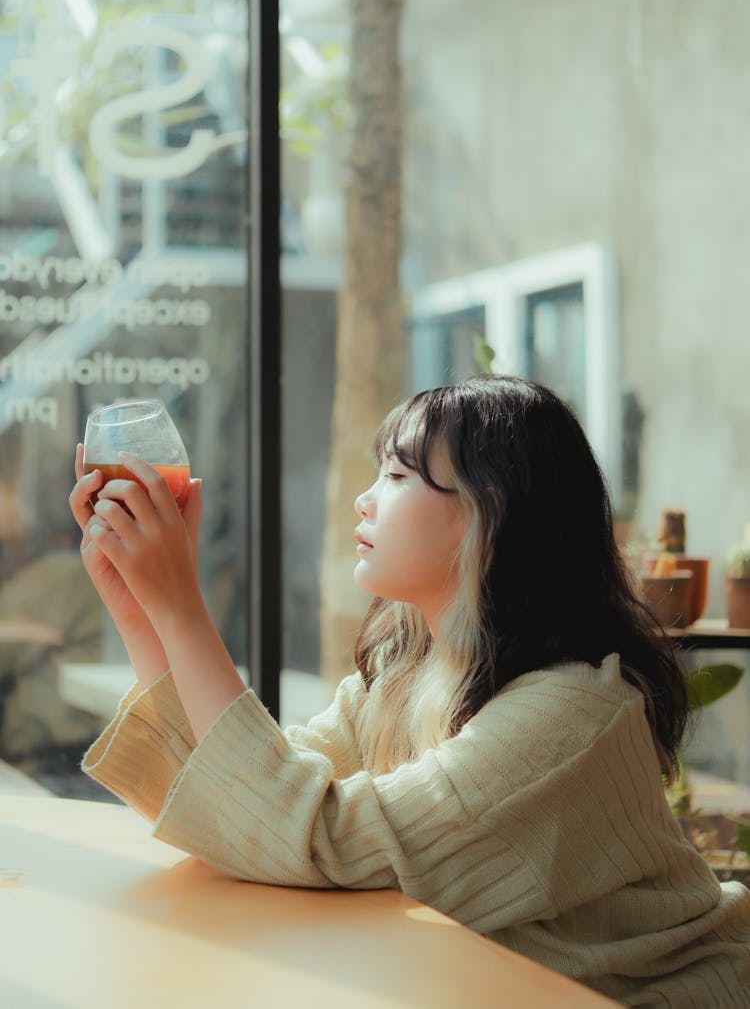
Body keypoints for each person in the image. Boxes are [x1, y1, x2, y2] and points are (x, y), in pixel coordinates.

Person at [69, 375, 750, 1007]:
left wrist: (183, 608)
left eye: (396, 475)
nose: (365, 499)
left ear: (493, 513)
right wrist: (143, 610)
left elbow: (309, 834)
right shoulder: (409, 667)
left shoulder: (573, 713)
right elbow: (246, 802)